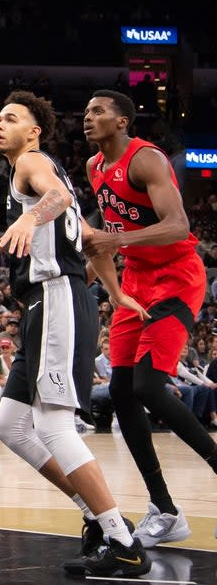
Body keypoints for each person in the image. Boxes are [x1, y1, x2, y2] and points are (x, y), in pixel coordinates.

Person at [0, 91, 147, 576]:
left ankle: (123, 541)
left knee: (55, 426)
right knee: (11, 424)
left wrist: (29, 214)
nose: (0, 124)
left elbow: (56, 202)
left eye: (11, 118)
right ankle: (98, 519)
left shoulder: (31, 164)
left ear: (34, 131)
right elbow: (89, 237)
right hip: (51, 303)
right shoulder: (45, 169)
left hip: (57, 298)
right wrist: (116, 294)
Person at [82, 89, 217, 549]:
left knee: (146, 385)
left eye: (99, 111)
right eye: (86, 112)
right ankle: (165, 508)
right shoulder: (94, 167)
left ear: (122, 122)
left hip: (177, 275)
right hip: (136, 279)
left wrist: (113, 242)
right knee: (121, 388)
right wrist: (87, 263)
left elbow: (178, 225)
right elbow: (109, 221)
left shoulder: (147, 160)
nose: (88, 118)